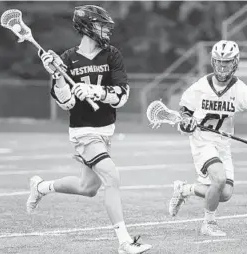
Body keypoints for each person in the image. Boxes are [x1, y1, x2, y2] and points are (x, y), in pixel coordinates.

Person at [26, 5, 152, 254]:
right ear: (86, 27)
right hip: (84, 131)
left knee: (88, 188)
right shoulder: (66, 59)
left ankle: (41, 187)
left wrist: (95, 91)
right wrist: (58, 76)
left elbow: (122, 96)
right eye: (101, 25)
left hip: (105, 130)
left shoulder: (112, 54)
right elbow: (66, 103)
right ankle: (125, 242)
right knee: (112, 177)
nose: (106, 30)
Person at [168, 40, 247, 236]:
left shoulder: (240, 89)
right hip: (202, 141)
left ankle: (184, 190)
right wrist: (187, 121)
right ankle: (208, 224)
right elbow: (185, 110)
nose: (222, 65)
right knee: (218, 178)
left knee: (225, 193)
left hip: (222, 145)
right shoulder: (202, 86)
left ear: (235, 62)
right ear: (213, 61)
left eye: (227, 62)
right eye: (219, 61)